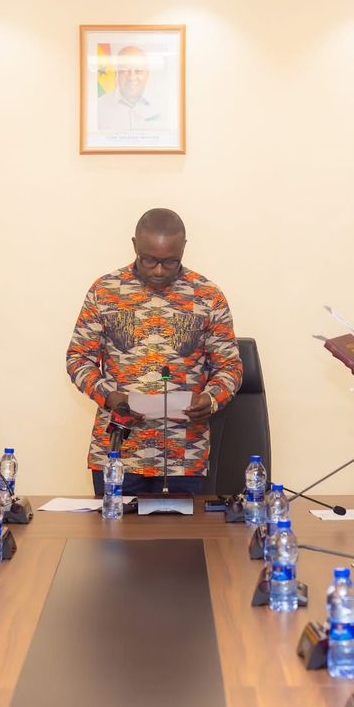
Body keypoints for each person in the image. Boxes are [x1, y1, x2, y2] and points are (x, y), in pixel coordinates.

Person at [67, 208, 243, 495]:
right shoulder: (105, 291)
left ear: (183, 249)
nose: (159, 271)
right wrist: (109, 396)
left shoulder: (208, 296)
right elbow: (78, 358)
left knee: (189, 528)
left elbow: (230, 367)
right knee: (112, 525)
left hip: (184, 456)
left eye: (170, 262)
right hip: (117, 454)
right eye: (149, 260)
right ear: (135, 245)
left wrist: (211, 399)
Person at [96, 45, 164, 131]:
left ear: (147, 74)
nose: (132, 78)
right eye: (124, 71)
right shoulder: (98, 107)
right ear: (117, 74)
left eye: (138, 71)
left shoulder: (164, 105)